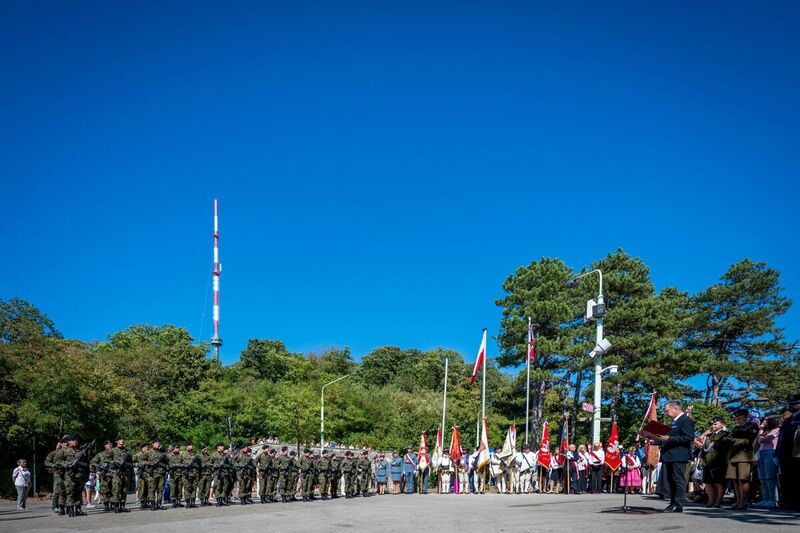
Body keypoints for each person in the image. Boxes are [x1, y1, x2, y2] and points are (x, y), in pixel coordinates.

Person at [641, 400, 695, 513]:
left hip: (679, 455)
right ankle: (672, 503)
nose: (665, 413)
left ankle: (678, 504)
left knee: (678, 480)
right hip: (669, 455)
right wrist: (653, 440)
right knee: (670, 480)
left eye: (667, 411)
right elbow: (666, 439)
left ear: (675, 409)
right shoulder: (674, 422)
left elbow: (688, 438)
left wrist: (669, 439)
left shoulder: (685, 420)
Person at [694, 416, 730, 508]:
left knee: (718, 481)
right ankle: (711, 500)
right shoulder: (709, 435)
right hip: (707, 460)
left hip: (718, 461)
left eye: (715, 424)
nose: (713, 426)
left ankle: (718, 500)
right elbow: (703, 447)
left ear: (722, 424)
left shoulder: (725, 434)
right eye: (712, 424)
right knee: (708, 481)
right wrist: (705, 434)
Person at [726, 408, 758, 510]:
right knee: (735, 479)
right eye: (736, 419)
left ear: (746, 417)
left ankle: (744, 502)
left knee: (743, 479)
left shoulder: (752, 426)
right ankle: (738, 500)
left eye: (739, 418)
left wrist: (736, 439)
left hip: (745, 455)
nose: (737, 421)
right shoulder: (736, 428)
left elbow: (749, 440)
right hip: (734, 455)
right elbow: (729, 438)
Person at [775, 394, 800, 511]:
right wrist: (777, 454)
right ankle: (789, 501)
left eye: (794, 404)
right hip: (785, 454)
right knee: (786, 478)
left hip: (797, 453)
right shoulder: (788, 420)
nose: (791, 406)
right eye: (790, 404)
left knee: (796, 478)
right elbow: (781, 439)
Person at [754, 414, 781, 508]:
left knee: (770, 477)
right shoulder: (766, 431)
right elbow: (758, 441)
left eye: (766, 420)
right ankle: (765, 499)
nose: (764, 422)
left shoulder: (776, 430)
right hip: (761, 453)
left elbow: (765, 439)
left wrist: (760, 432)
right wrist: (761, 432)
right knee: (762, 478)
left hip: (770, 453)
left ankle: (773, 500)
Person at [110, 435, 132, 513]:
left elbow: (131, 463)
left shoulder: (127, 451)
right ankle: (116, 506)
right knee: (116, 489)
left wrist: (126, 465)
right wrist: (115, 463)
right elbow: (107, 460)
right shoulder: (112, 450)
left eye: (123, 439)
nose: (122, 441)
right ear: (116, 441)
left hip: (125, 473)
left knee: (124, 490)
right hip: (116, 473)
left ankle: (123, 506)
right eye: (120, 439)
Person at [89, 440, 113, 511]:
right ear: (105, 446)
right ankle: (106, 505)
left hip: (114, 474)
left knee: (113, 490)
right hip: (105, 475)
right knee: (105, 490)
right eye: (108, 444)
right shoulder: (100, 454)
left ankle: (112, 504)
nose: (110, 445)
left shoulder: (114, 453)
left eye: (111, 444)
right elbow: (92, 462)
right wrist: (99, 467)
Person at [45, 440, 65, 513]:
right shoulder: (54, 453)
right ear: (60, 444)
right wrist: (54, 465)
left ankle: (64, 505)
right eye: (64, 442)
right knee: (57, 491)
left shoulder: (70, 453)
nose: (66, 444)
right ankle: (55, 506)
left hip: (68, 474)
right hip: (58, 474)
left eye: (67, 442)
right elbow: (46, 462)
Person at [183, 441, 202, 507]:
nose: (191, 446)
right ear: (187, 446)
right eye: (189, 445)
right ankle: (188, 503)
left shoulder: (195, 455)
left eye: (191, 445)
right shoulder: (183, 455)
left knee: (194, 488)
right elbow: (182, 464)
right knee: (187, 488)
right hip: (187, 474)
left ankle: (193, 502)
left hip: (195, 473)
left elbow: (199, 464)